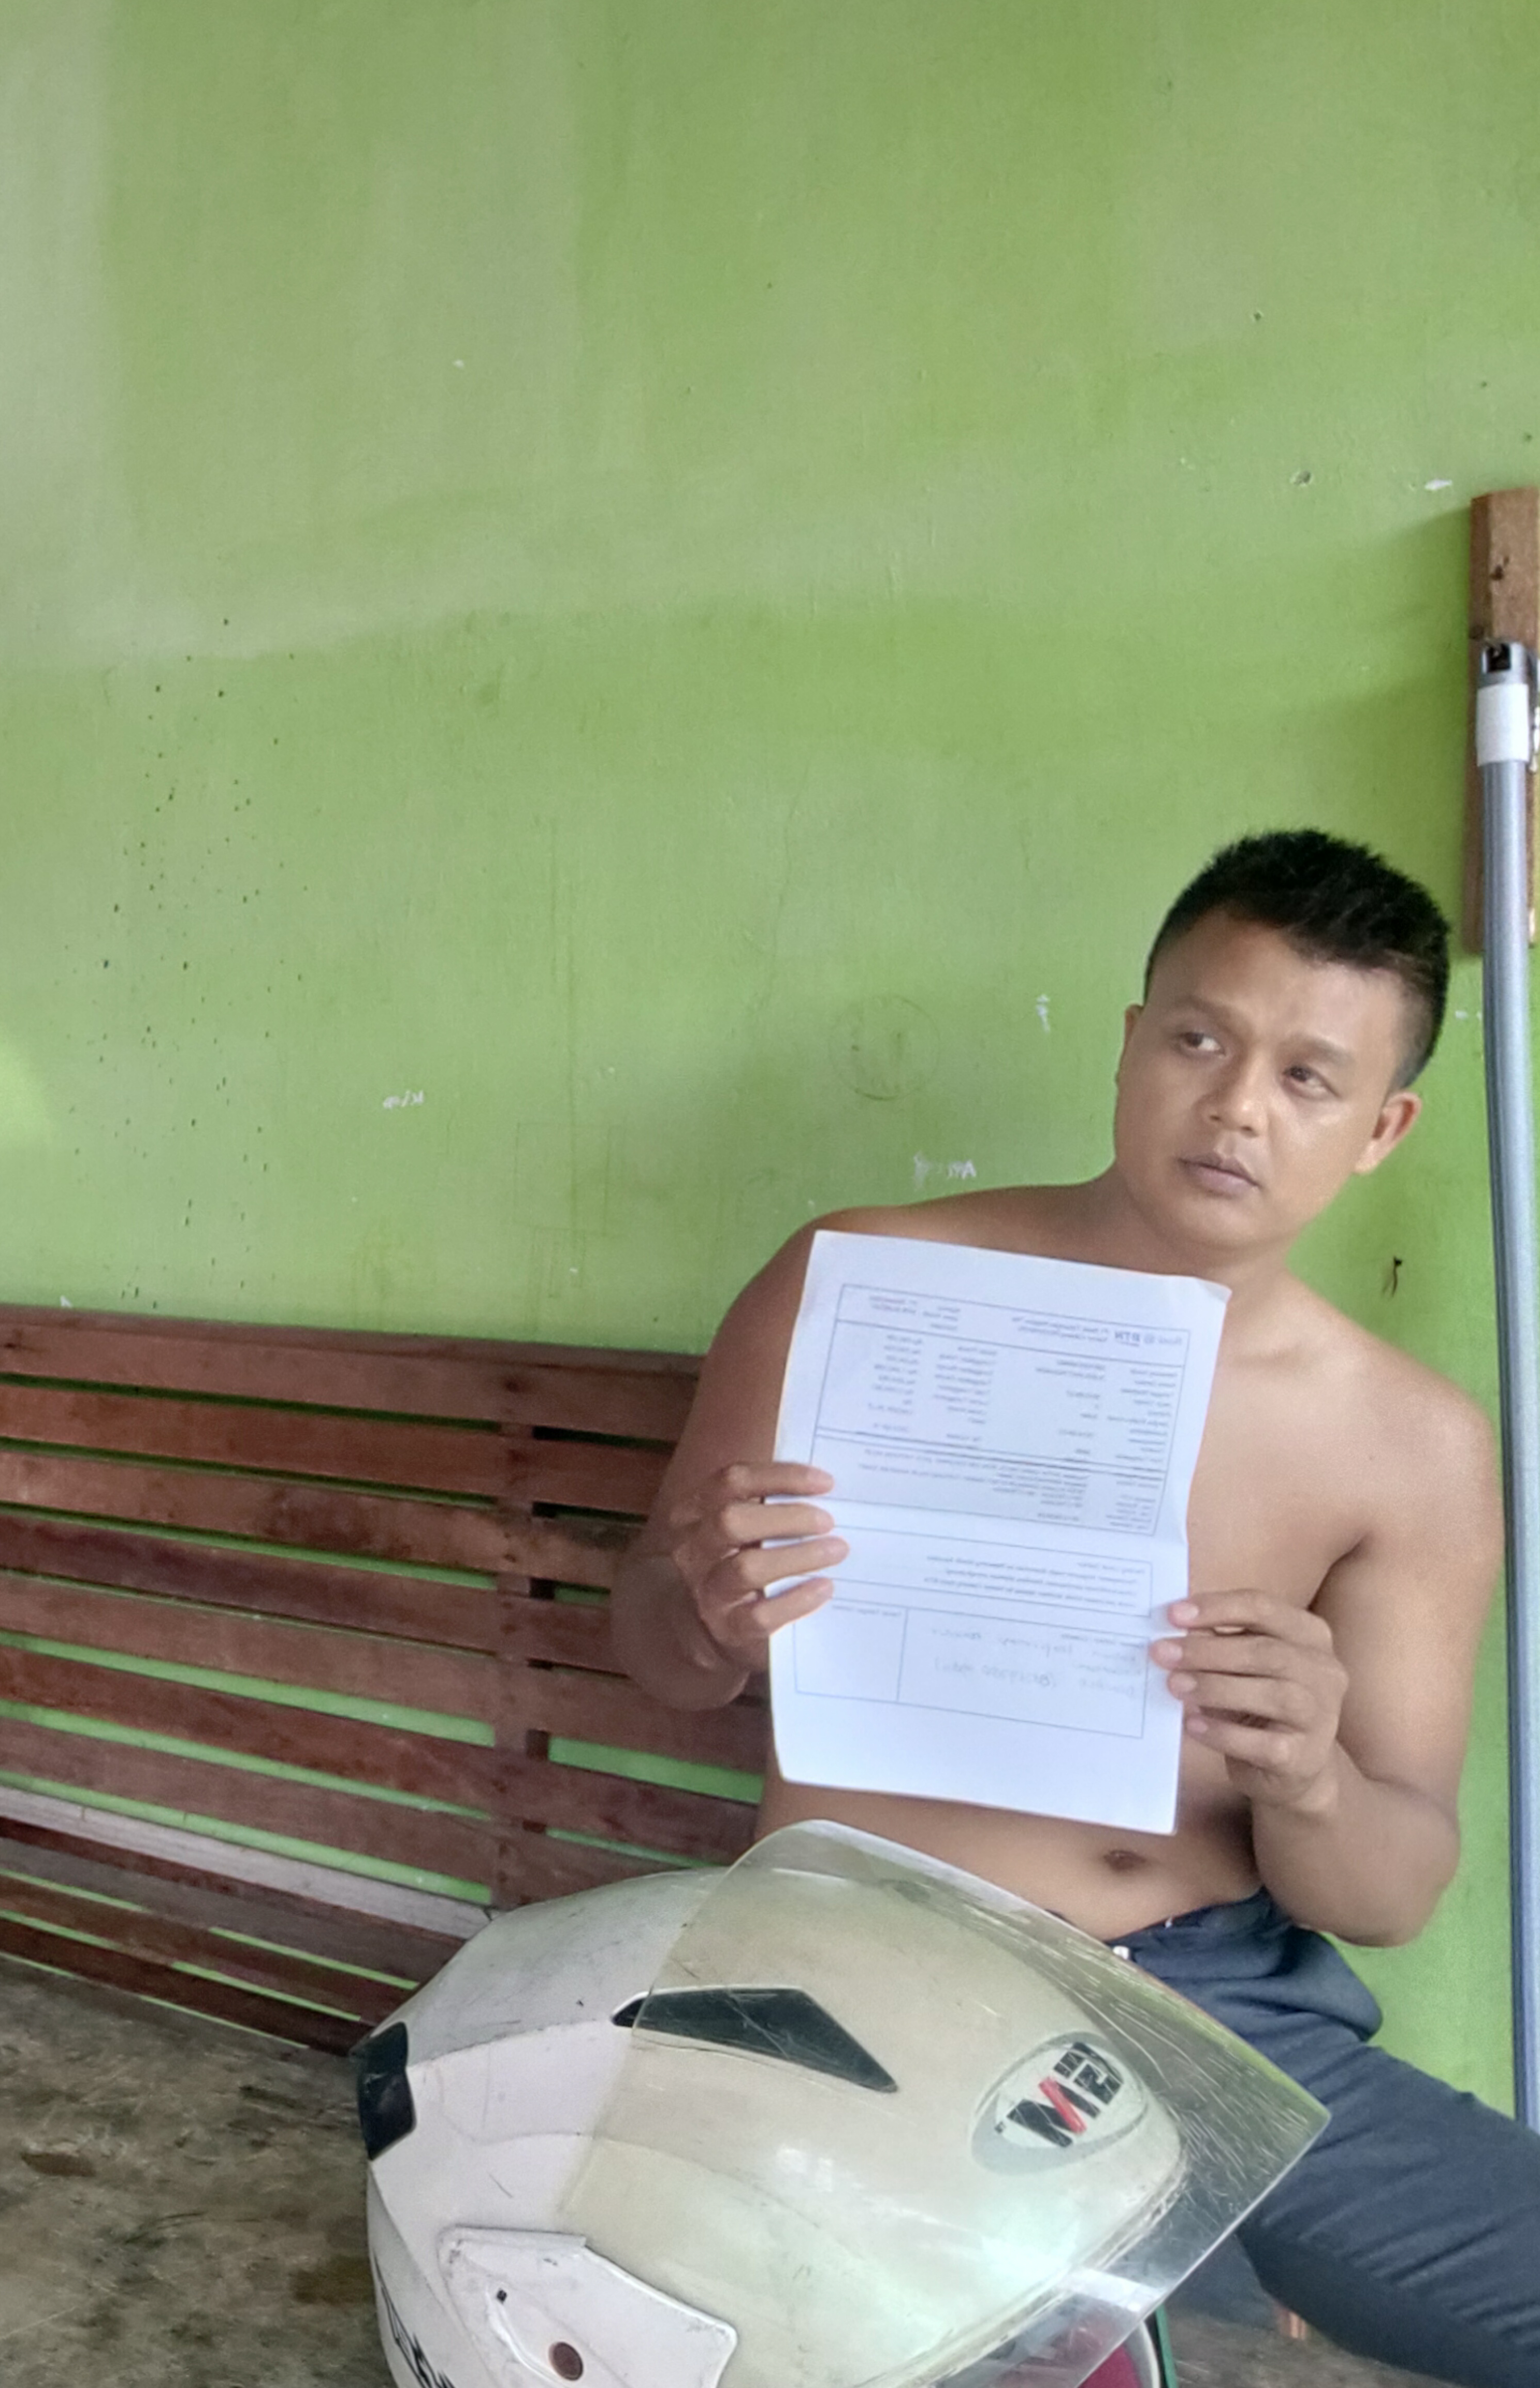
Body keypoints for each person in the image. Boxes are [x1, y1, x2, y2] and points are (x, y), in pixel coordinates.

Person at [613, 828, 1540, 2384]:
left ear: (1382, 1128)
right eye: (1200, 1040)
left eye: (1309, 1079)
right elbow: (651, 1647)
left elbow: (1389, 1892)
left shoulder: (1410, 1447)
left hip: (1211, 2010)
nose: (1238, 1107)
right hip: (856, 1980)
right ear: (1130, 1041)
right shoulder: (860, 1283)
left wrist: (1308, 1775)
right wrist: (703, 1612)